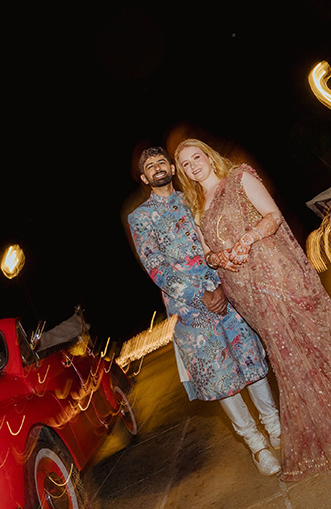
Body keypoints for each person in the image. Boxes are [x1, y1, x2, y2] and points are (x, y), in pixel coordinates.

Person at [174, 138, 331, 482]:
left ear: (208, 156)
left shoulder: (239, 177)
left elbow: (271, 216)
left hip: (275, 274)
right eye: (184, 164)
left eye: (195, 157)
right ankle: (319, 429)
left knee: (306, 344)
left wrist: (246, 240)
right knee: (284, 356)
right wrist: (220, 257)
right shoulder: (196, 205)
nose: (192, 166)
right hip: (242, 290)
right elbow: (206, 252)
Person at [127, 146, 283, 476]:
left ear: (171, 167)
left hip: (227, 290)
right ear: (144, 178)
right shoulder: (140, 218)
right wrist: (201, 296)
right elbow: (156, 267)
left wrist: (224, 285)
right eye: (149, 166)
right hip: (191, 312)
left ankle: (275, 427)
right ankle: (256, 444)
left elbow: (218, 236)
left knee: (251, 362)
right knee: (221, 379)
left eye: (161, 162)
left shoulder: (194, 198)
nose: (157, 168)